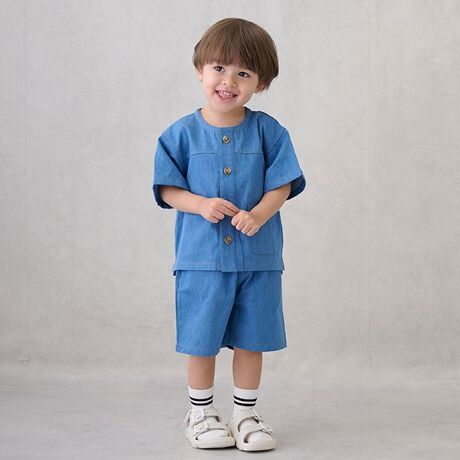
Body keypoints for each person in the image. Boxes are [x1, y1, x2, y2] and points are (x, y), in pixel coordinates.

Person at [152, 17, 307, 451]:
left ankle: (246, 414)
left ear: (261, 83)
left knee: (251, 338)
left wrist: (259, 214)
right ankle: (200, 413)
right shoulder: (179, 134)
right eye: (219, 68)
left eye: (243, 73)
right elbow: (167, 188)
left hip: (258, 260)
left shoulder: (270, 132)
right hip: (200, 260)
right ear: (200, 69)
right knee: (200, 340)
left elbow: (282, 183)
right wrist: (200, 204)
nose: (228, 81)